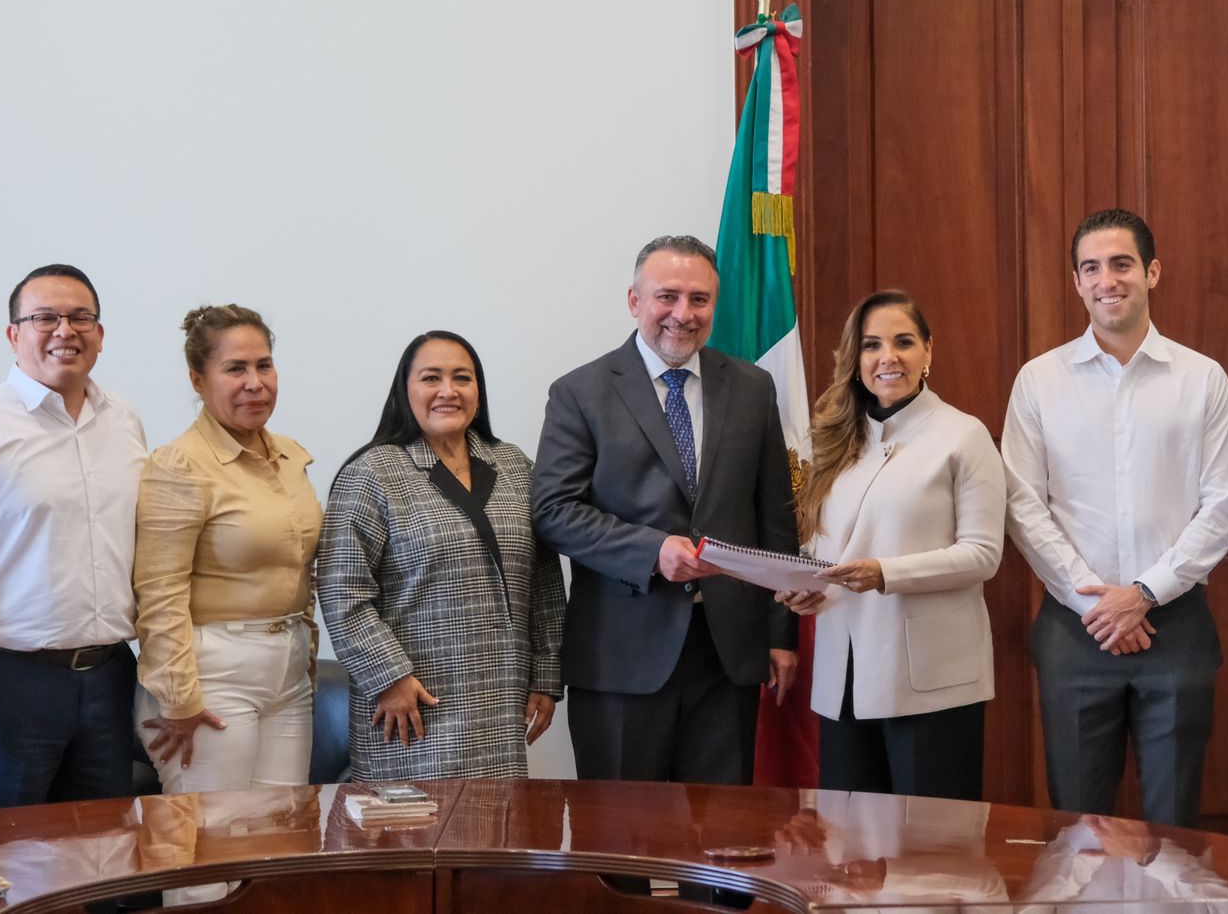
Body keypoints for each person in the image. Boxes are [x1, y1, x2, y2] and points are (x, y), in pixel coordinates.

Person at [1002, 209, 1228, 826]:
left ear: (1152, 272)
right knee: (1080, 829)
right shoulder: (1039, 381)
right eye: (1091, 267)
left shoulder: (1203, 379)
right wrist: (1097, 605)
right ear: (1077, 282)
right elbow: (1023, 504)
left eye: (1122, 264)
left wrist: (1143, 594)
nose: (1107, 279)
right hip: (1073, 631)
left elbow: (1222, 505)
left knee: (1174, 824)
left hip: (1176, 627)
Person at [532, 234, 799, 784]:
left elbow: (775, 515)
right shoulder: (580, 392)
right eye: (667, 296)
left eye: (699, 299)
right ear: (634, 300)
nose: (683, 314)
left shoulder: (752, 388)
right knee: (621, 837)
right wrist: (653, 551)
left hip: (728, 654)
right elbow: (554, 510)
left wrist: (779, 632)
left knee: (720, 844)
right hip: (621, 655)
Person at [0, 264, 147, 810]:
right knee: (6, 859)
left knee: (104, 858)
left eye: (81, 317)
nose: (65, 330)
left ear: (101, 334)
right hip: (7, 683)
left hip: (109, 674)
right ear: (14, 334)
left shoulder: (125, 420)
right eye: (44, 317)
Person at [776, 290, 1005, 799]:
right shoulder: (834, 443)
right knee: (851, 853)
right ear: (854, 361)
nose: (888, 357)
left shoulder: (963, 436)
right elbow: (823, 551)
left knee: (931, 858)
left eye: (903, 342)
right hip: (844, 678)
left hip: (930, 682)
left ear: (929, 351)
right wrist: (803, 587)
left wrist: (886, 573)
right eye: (872, 345)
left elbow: (984, 554)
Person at [319, 331, 565, 780]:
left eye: (462, 378)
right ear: (405, 390)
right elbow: (342, 593)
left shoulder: (514, 466)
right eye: (431, 378)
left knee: (494, 839)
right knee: (412, 839)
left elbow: (545, 579)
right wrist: (387, 677)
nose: (448, 391)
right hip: (412, 702)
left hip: (500, 698)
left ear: (478, 391)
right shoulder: (371, 473)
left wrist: (547, 676)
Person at [133, 305, 321, 794]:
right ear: (198, 380)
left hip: (289, 669)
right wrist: (178, 699)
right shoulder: (179, 465)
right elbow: (158, 590)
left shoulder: (289, 455)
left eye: (264, 365)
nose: (255, 382)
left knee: (278, 838)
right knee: (213, 844)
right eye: (235, 369)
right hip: (213, 674)